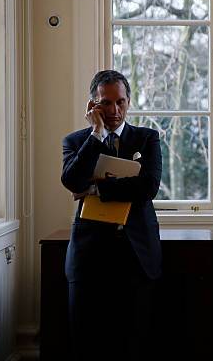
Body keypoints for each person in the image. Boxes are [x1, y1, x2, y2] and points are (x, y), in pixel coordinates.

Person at [61, 70, 162, 360]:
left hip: (137, 256)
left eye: (120, 102)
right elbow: (72, 181)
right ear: (93, 105)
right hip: (89, 258)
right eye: (106, 103)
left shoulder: (147, 138)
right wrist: (96, 135)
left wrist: (96, 188)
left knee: (134, 343)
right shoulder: (76, 141)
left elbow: (147, 187)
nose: (114, 111)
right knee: (87, 343)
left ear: (129, 102)